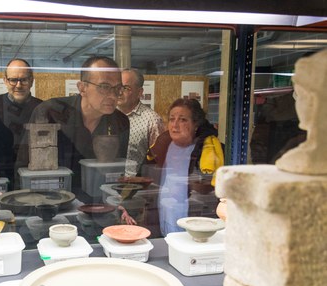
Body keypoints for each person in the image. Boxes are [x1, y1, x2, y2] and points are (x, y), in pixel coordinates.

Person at [20, 56, 130, 199]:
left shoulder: (120, 122)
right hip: (52, 201)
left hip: (100, 202)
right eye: (104, 87)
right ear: (82, 88)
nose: (112, 96)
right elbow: (23, 166)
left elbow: (115, 173)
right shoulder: (50, 113)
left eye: (118, 88)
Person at [148, 98, 224, 236]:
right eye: (172, 119)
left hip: (194, 217)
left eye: (182, 120)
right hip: (164, 211)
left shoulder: (206, 149)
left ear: (196, 124)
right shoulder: (163, 144)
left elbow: (213, 188)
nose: (175, 125)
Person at [0, 58, 42, 190]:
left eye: (24, 79)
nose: (18, 85)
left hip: (33, 180)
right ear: (5, 81)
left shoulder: (42, 108)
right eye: (13, 80)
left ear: (31, 81)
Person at [117, 68, 164, 176]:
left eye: (125, 88)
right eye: (118, 87)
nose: (119, 92)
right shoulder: (108, 115)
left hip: (136, 185)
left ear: (139, 92)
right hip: (108, 181)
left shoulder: (152, 120)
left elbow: (158, 160)